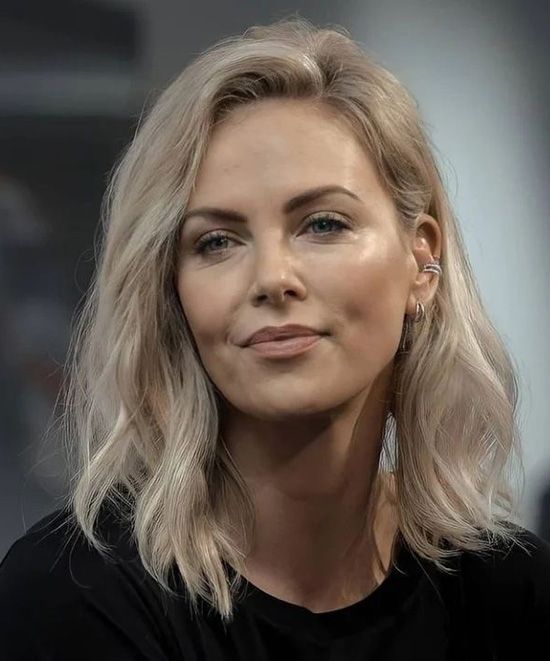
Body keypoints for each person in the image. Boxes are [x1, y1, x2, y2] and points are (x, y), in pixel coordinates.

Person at [1, 15, 548, 661]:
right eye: (217, 241)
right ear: (172, 292)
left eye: (322, 223)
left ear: (419, 262)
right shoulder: (73, 597)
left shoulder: (514, 590)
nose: (271, 278)